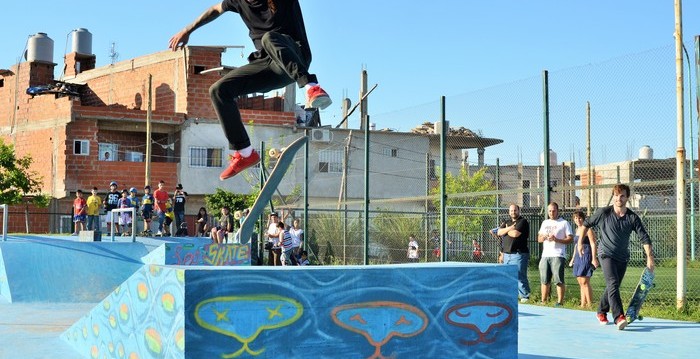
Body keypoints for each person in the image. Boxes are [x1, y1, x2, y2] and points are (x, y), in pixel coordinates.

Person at [168, 0, 332, 181]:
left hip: (295, 56)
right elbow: (215, 9)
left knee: (269, 38)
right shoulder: (238, 1)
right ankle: (245, 153)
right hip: (269, 66)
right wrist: (187, 30)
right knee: (219, 90)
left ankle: (312, 87)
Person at [580, 184, 655, 330]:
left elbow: (644, 238)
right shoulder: (604, 213)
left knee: (612, 286)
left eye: (622, 195)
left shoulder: (632, 217)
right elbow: (585, 225)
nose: (618, 198)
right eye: (616, 195)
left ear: (627, 197)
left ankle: (601, 311)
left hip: (622, 257)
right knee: (613, 283)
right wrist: (579, 245)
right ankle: (619, 317)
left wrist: (649, 258)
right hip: (606, 254)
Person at [537, 202, 573, 307]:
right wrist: (543, 237)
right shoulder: (544, 223)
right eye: (550, 211)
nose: (552, 213)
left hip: (558, 254)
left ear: (557, 211)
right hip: (545, 255)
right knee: (544, 280)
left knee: (558, 280)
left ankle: (560, 302)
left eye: (554, 210)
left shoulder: (564, 223)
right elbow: (538, 239)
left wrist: (556, 239)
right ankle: (543, 301)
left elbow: (570, 239)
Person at [497, 204, 531, 303]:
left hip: (519, 254)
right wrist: (510, 228)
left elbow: (515, 234)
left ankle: (525, 296)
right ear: (509, 212)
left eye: (515, 210)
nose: (513, 212)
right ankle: (511, 296)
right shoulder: (507, 222)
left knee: (519, 275)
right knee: (508, 276)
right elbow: (499, 232)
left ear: (519, 211)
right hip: (507, 254)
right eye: (511, 211)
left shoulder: (523, 222)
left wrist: (506, 231)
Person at [568, 210, 599, 308]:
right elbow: (576, 245)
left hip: (586, 255)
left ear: (583, 218)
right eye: (576, 218)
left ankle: (590, 304)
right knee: (580, 282)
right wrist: (573, 259)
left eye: (580, 218)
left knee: (585, 281)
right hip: (578, 257)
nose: (578, 220)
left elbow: (593, 244)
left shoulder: (588, 230)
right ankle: (583, 304)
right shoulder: (577, 230)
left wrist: (594, 258)